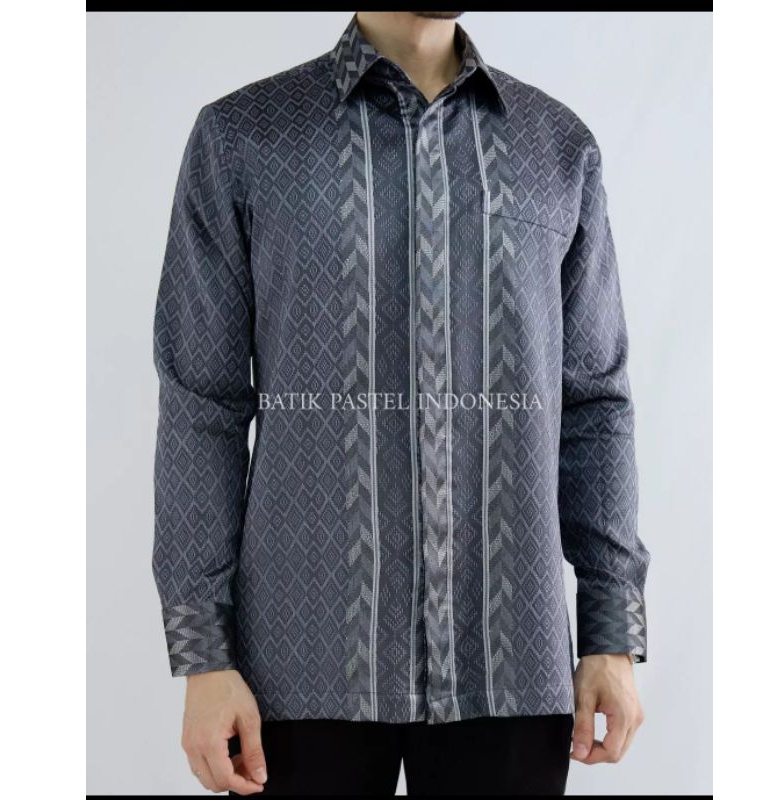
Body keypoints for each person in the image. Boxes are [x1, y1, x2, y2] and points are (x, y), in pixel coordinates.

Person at [152, 10, 650, 796]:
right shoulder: (244, 140)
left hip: (510, 665)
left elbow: (594, 402)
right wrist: (204, 656)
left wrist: (611, 632)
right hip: (300, 670)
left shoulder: (557, 147)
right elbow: (201, 406)